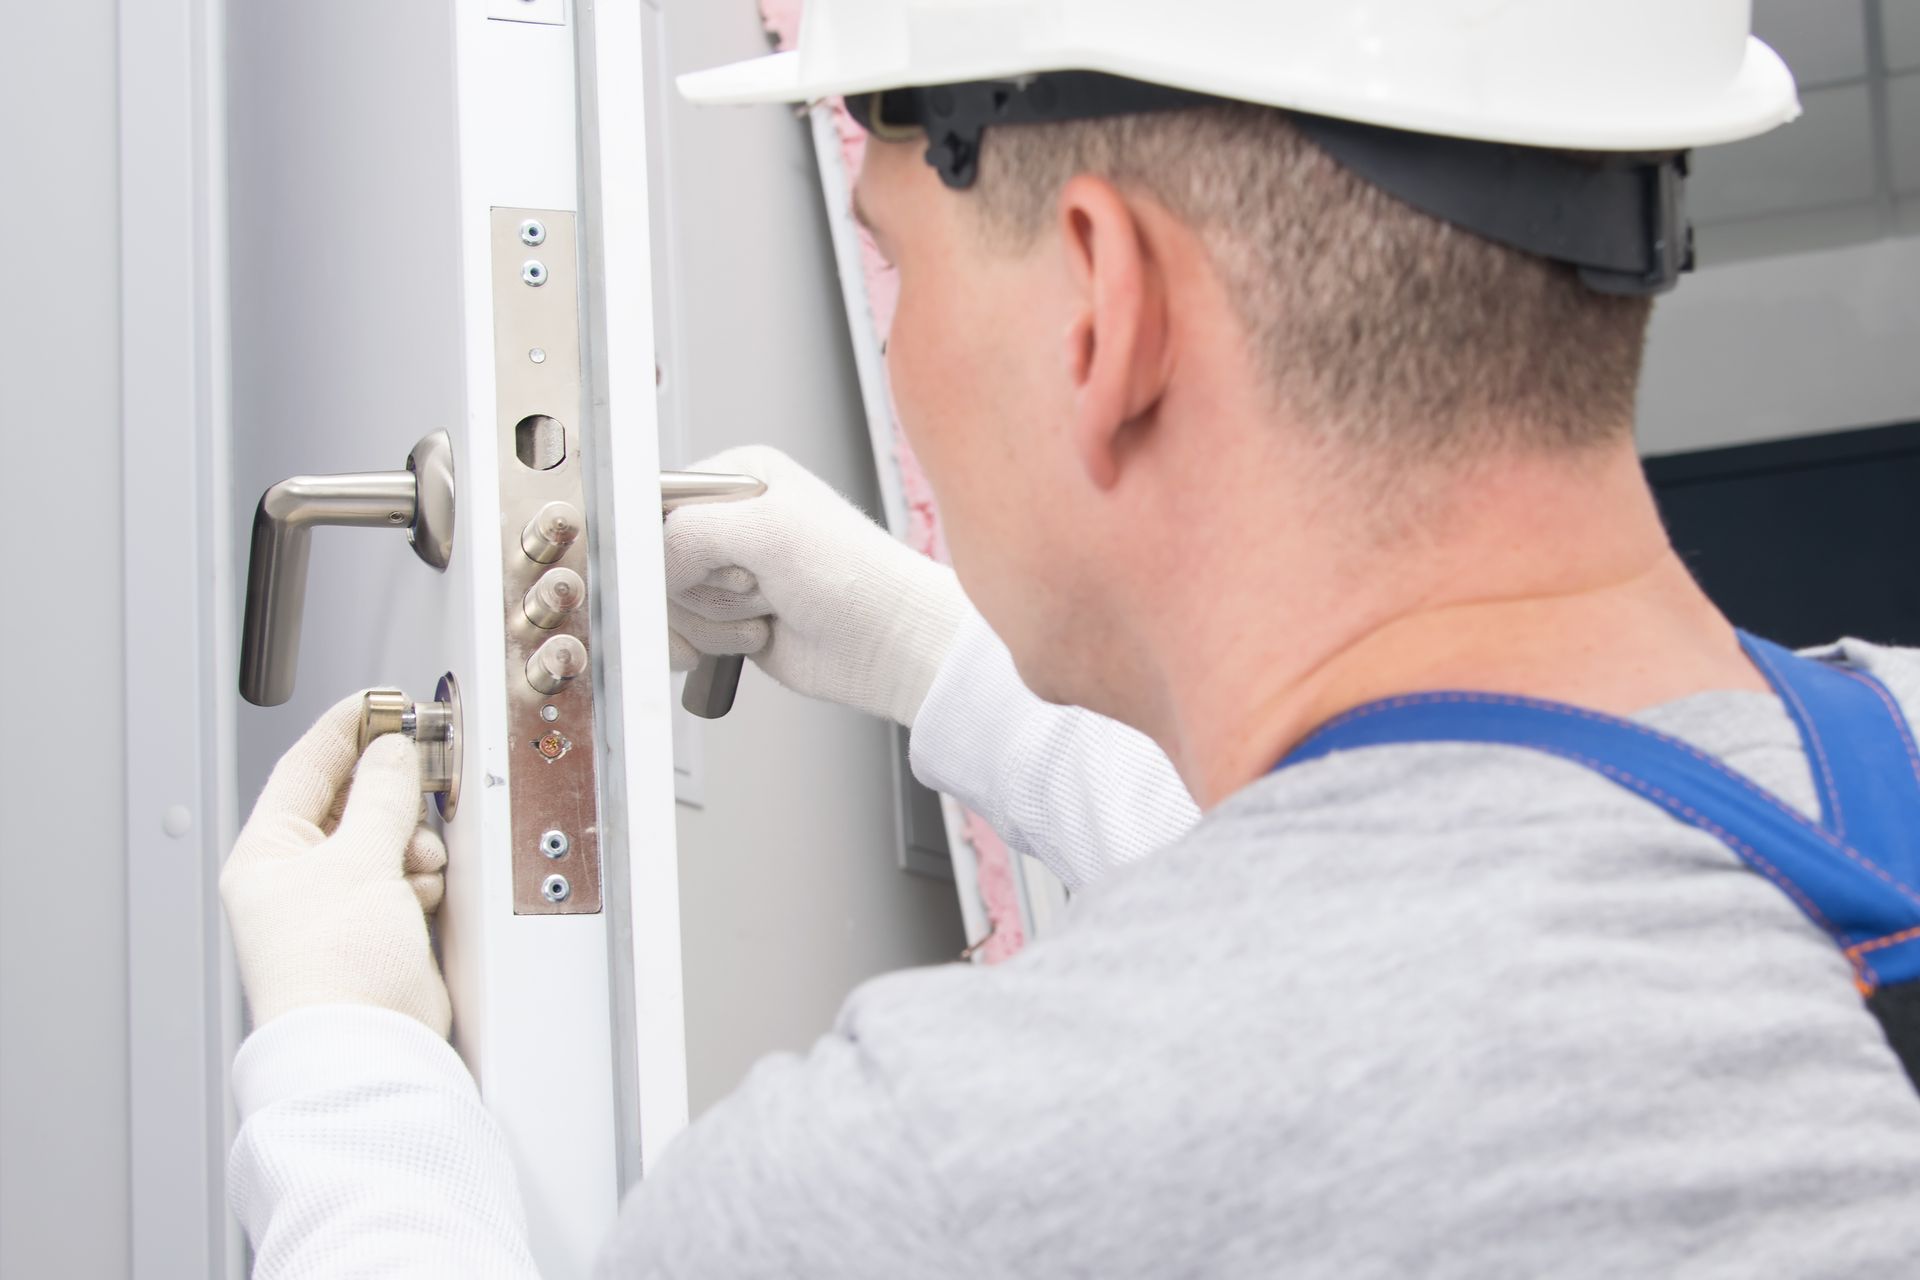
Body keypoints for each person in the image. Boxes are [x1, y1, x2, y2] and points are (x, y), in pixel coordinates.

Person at [218, 0, 1920, 1274]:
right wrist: (936, 658)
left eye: (896, 263)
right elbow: (1481, 933)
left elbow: (1336, 1012)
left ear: (1103, 306)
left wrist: (347, 1078)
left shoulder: (941, 1176)